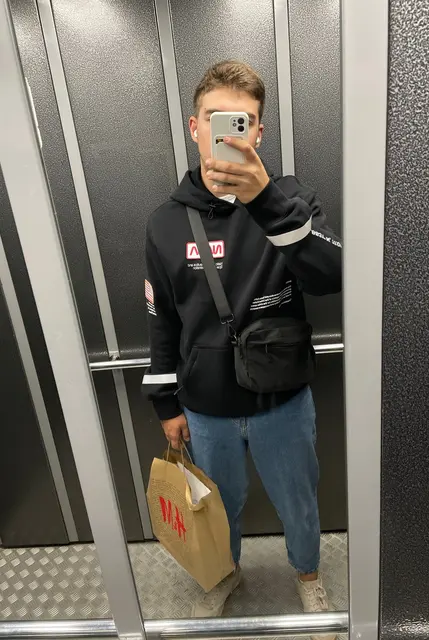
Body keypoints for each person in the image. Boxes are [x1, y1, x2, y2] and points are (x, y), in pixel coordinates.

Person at [142, 60, 341, 638]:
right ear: (194, 127)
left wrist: (266, 204)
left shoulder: (290, 200)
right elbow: (161, 321)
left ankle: (307, 573)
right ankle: (223, 574)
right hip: (206, 407)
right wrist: (165, 404)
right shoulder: (164, 222)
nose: (229, 132)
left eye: (243, 121)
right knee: (219, 505)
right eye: (216, 118)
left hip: (283, 399)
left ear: (258, 131)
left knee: (298, 500)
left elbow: (333, 275)